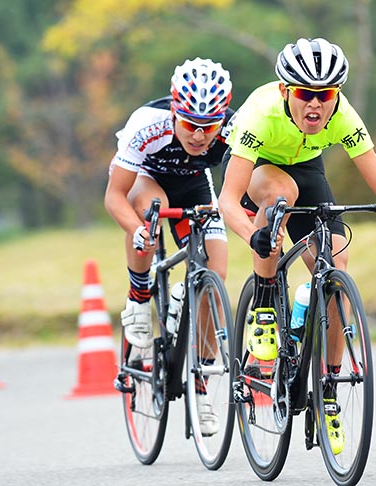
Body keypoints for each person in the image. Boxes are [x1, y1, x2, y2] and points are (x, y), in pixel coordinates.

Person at [218, 37, 376, 454]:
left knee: (334, 260)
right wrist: (253, 236)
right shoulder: (260, 114)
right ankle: (266, 309)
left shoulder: (342, 114)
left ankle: (328, 392)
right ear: (286, 91)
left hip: (307, 167)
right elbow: (227, 202)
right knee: (279, 196)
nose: (315, 105)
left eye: (324, 96)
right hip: (260, 169)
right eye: (305, 94)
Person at [104, 57, 233, 436]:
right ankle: (140, 298)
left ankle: (201, 384)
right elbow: (115, 196)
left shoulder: (232, 129)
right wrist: (138, 230)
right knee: (149, 218)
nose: (199, 135)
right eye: (191, 125)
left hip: (195, 183)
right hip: (147, 179)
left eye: (208, 127)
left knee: (216, 278)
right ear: (175, 111)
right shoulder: (147, 125)